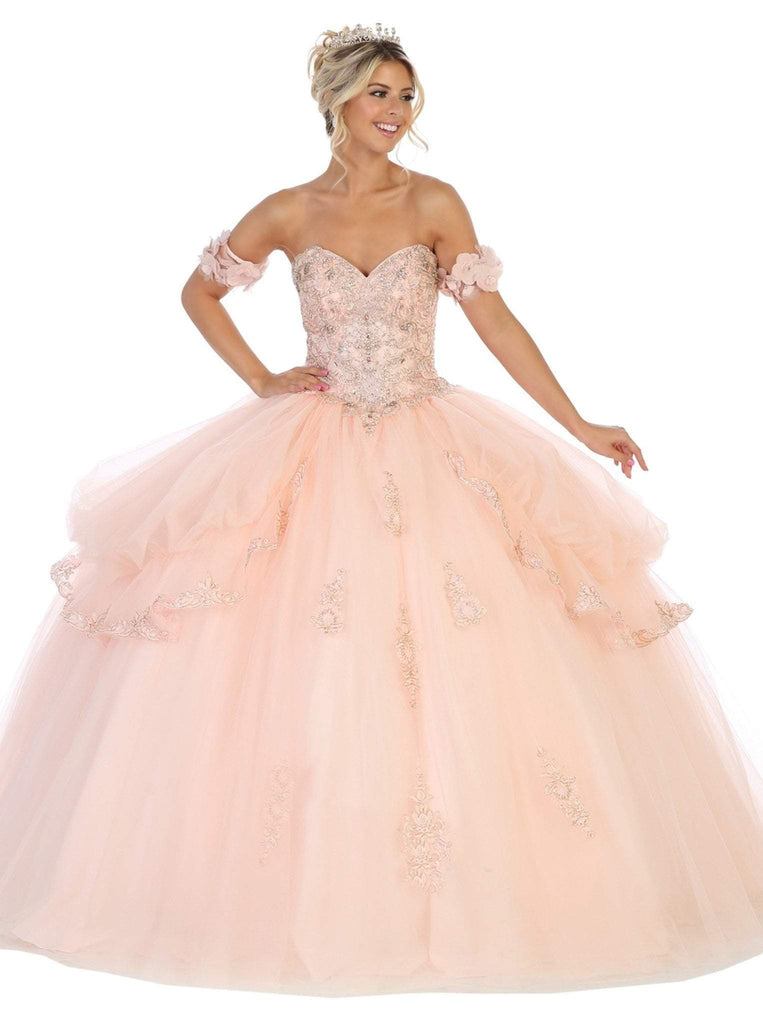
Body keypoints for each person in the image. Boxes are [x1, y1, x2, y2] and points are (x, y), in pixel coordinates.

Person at [1, 22, 762, 998]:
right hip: (311, 442)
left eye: (405, 96)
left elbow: (494, 321)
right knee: (286, 656)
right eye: (378, 94)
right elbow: (199, 293)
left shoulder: (434, 202)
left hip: (429, 437)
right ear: (336, 101)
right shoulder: (287, 211)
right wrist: (261, 378)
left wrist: (577, 422)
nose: (395, 112)